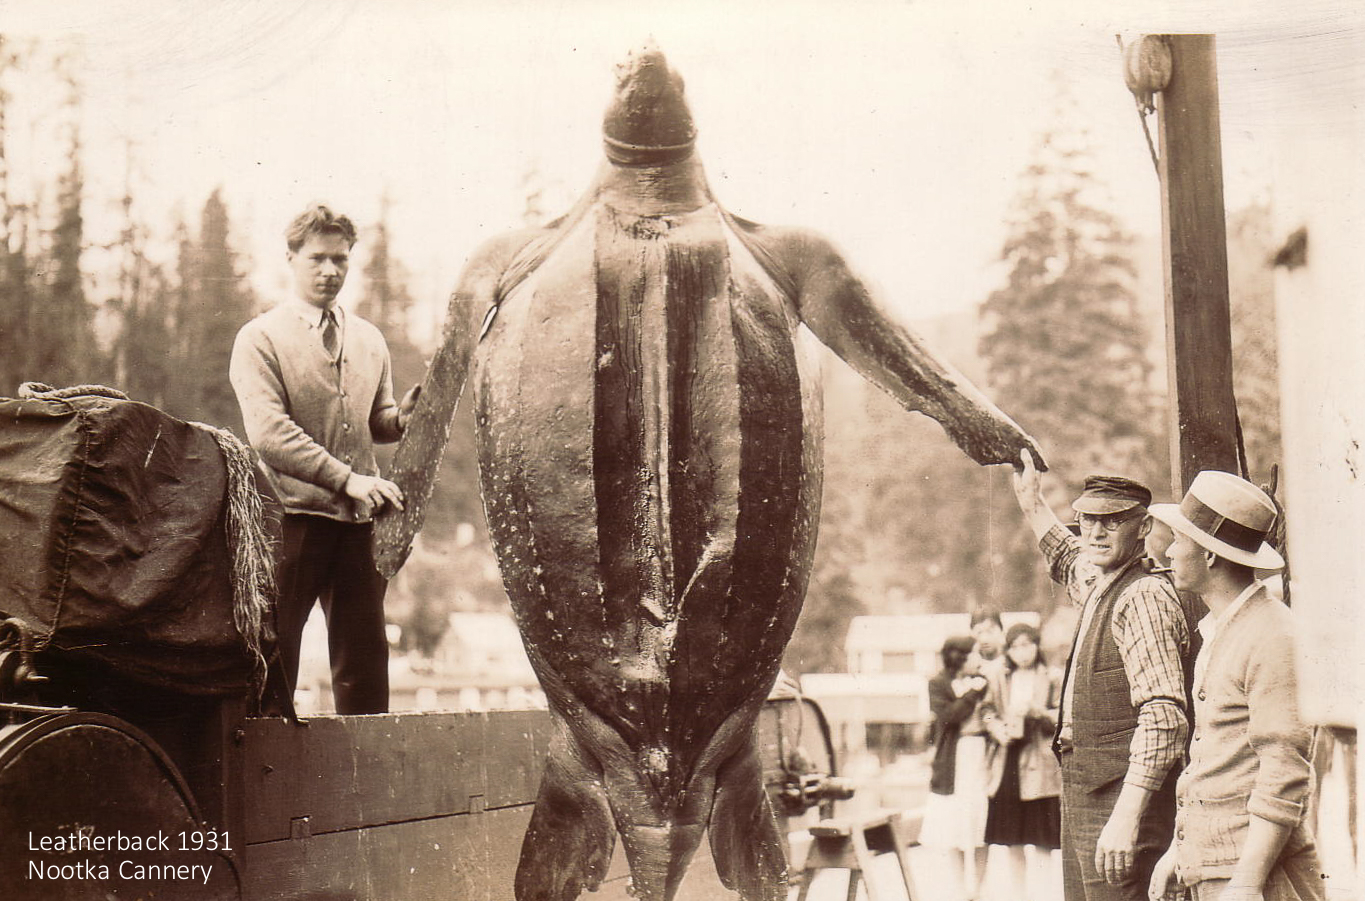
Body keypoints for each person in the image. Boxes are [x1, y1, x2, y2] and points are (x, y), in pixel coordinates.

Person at [229, 203, 419, 715]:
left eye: (340, 259)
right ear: (290, 258)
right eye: (317, 258)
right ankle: (266, 761)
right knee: (273, 659)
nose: (330, 271)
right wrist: (347, 479)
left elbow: (374, 420)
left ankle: (366, 766)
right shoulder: (260, 339)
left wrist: (400, 420)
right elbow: (270, 435)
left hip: (358, 527)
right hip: (289, 522)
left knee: (365, 666)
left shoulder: (369, 339)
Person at [1010, 449, 1192, 901]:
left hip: (1123, 798)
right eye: (1088, 519)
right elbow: (1067, 556)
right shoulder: (1100, 582)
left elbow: (1164, 718)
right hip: (1087, 789)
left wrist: (1126, 816)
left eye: (1112, 521)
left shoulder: (1143, 596)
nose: (1095, 531)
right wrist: (1032, 501)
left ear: (1143, 528)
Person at [1147, 471, 1325, 901]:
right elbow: (1213, 760)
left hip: (1256, 877)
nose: (1169, 550)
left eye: (1179, 539)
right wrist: (1179, 852)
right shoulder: (1223, 629)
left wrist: (1246, 881)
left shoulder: (1273, 634)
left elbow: (1283, 771)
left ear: (1209, 555)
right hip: (1218, 868)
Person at [982, 622, 1063, 900]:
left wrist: (1037, 712)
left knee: (1041, 839)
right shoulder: (1001, 678)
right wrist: (997, 728)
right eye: (1015, 647)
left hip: (1039, 763)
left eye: (1027, 645)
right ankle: (1018, 895)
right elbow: (987, 709)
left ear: (1037, 646)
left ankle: (1042, 895)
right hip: (1008, 761)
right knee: (1012, 839)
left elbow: (1062, 716)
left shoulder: (1052, 677)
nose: (1021, 652)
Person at [925, 635, 993, 900]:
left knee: (980, 820)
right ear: (959, 656)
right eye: (974, 653)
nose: (978, 658)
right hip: (955, 759)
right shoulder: (938, 683)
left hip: (981, 755)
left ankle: (979, 888)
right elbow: (950, 716)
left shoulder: (983, 680)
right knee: (954, 823)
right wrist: (973, 693)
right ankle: (960, 889)